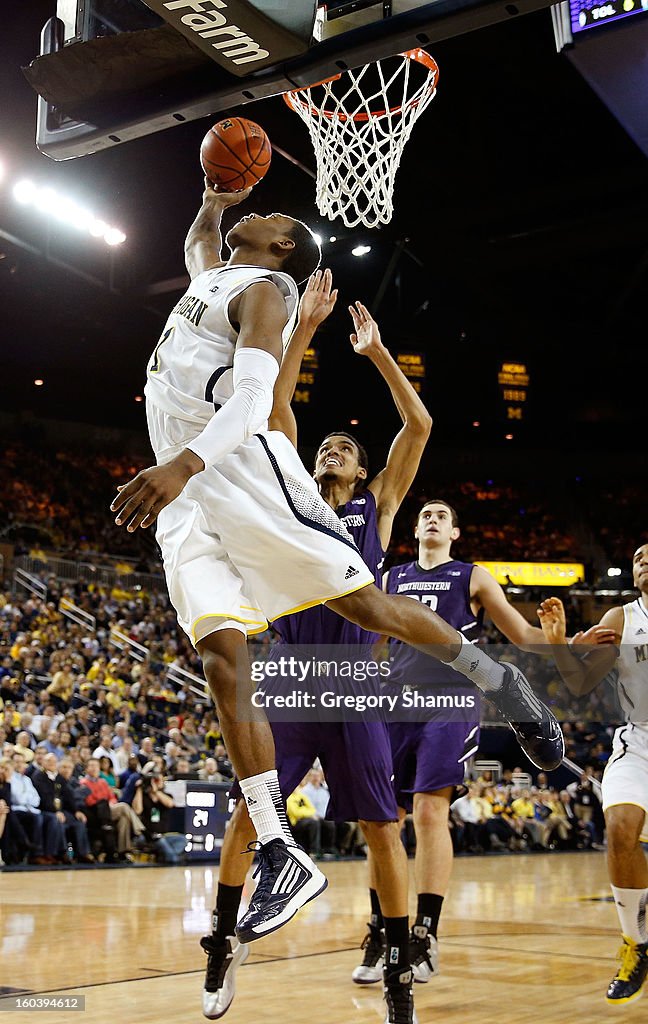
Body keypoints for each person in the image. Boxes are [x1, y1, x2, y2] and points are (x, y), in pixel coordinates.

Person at [111, 181, 562, 958]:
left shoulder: (269, 292)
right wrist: (215, 200)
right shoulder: (215, 276)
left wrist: (184, 461)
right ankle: (277, 863)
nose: (254, 216)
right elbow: (196, 249)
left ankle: (499, 682)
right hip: (205, 526)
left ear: (282, 249)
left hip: (241, 484)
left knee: (369, 614)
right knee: (222, 654)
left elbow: (259, 397)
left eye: (265, 218)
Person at [200, 274, 432, 1024]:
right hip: (291, 681)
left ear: (360, 472)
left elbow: (418, 428)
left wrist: (379, 356)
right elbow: (272, 409)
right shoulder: (292, 494)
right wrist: (299, 330)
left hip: (356, 688)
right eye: (325, 443)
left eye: (344, 448)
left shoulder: (380, 507)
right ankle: (221, 943)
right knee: (250, 812)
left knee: (381, 829)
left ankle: (398, 970)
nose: (331, 448)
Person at [361, 499, 598, 985]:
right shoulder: (390, 578)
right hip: (395, 704)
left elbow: (525, 636)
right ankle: (385, 931)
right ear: (415, 527)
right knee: (384, 823)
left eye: (441, 516)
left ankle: (425, 933)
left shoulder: (473, 576)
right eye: (425, 514)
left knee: (430, 811)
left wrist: (554, 636)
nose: (432, 519)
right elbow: (369, 643)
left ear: (455, 532)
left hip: (451, 699)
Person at [537, 545, 648, 1005]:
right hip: (638, 741)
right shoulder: (622, 618)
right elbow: (579, 685)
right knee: (620, 828)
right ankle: (636, 944)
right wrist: (562, 644)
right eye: (639, 556)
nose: (643, 560)